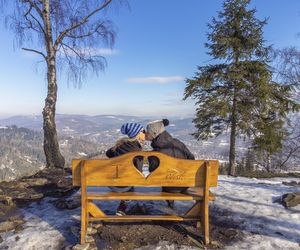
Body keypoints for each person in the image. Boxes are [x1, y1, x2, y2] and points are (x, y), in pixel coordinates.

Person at [146, 119, 195, 207]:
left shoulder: (155, 153)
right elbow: (192, 159)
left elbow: (153, 173)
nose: (146, 134)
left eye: (148, 132)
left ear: (154, 133)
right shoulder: (178, 143)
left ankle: (170, 202)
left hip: (168, 186)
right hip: (184, 184)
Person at [106, 122, 146, 215]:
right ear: (137, 134)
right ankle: (122, 207)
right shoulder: (137, 150)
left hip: (112, 184)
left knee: (125, 178)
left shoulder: (120, 145)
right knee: (130, 180)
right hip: (125, 186)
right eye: (143, 131)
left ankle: (123, 206)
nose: (145, 133)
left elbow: (108, 153)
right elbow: (138, 173)